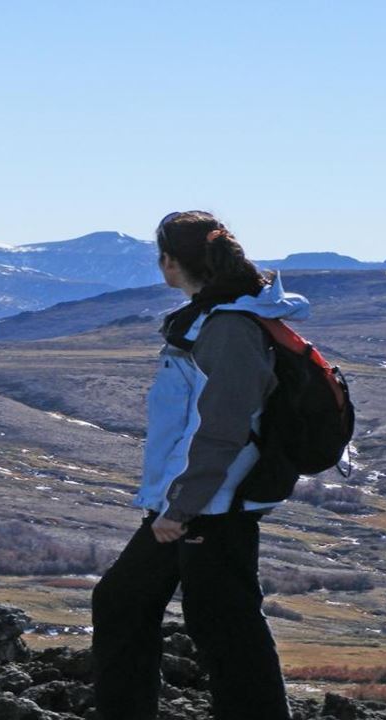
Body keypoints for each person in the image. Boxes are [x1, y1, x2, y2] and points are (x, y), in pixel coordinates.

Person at [90, 210, 309, 720]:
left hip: (213, 503)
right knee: (124, 603)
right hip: (192, 499)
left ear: (170, 262)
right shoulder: (216, 317)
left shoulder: (229, 326)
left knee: (224, 625)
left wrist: (182, 507)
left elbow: (224, 427)